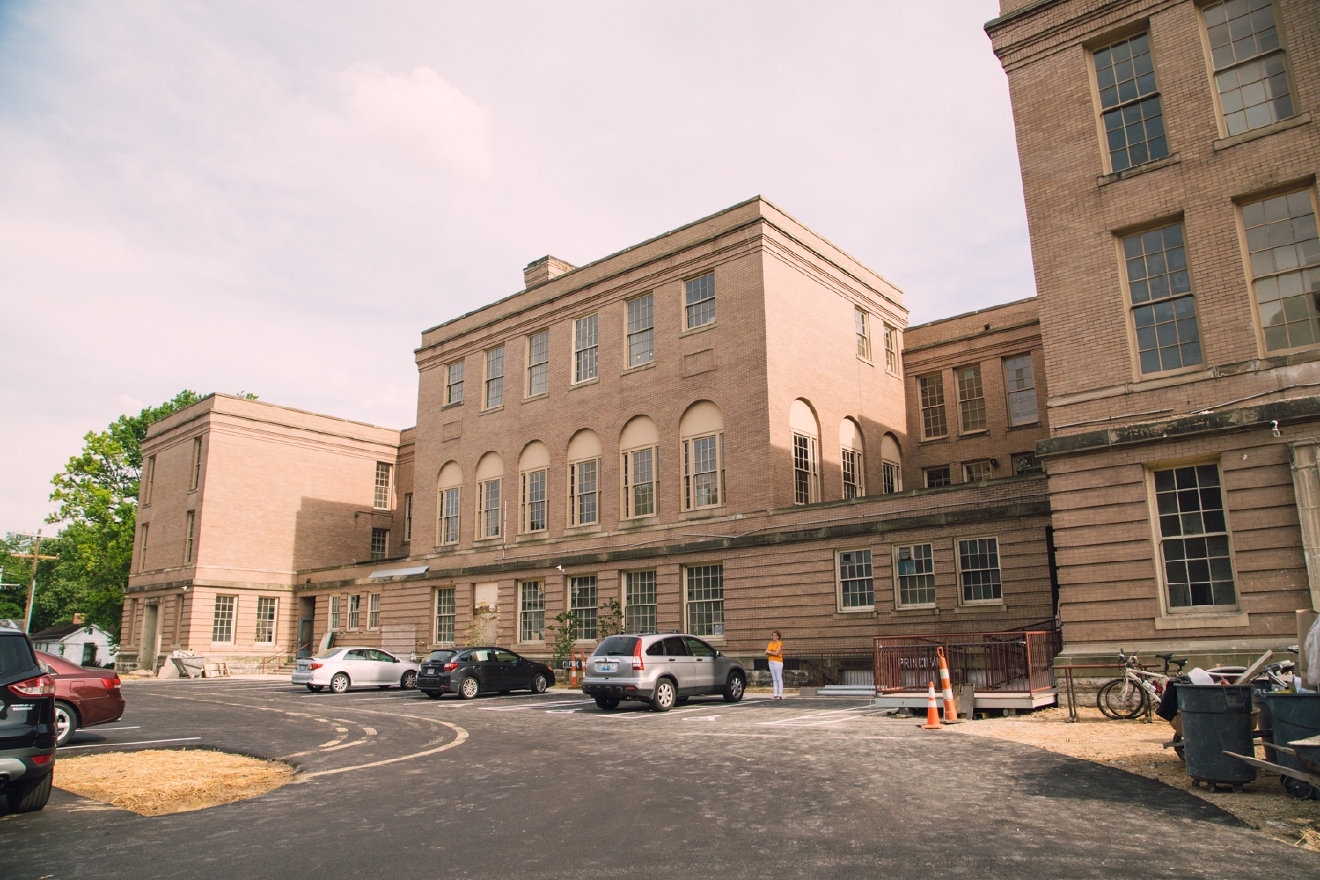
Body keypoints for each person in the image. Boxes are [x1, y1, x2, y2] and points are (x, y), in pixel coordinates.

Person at [766, 630, 784, 700]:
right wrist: (770, 652)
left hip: (778, 662)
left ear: (778, 636)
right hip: (771, 661)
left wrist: (770, 652)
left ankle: (780, 694)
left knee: (778, 678)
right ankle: (775, 694)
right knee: (774, 678)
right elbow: (765, 652)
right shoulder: (770, 643)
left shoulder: (779, 643)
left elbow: (777, 653)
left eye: (775, 635)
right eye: (773, 635)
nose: (774, 637)